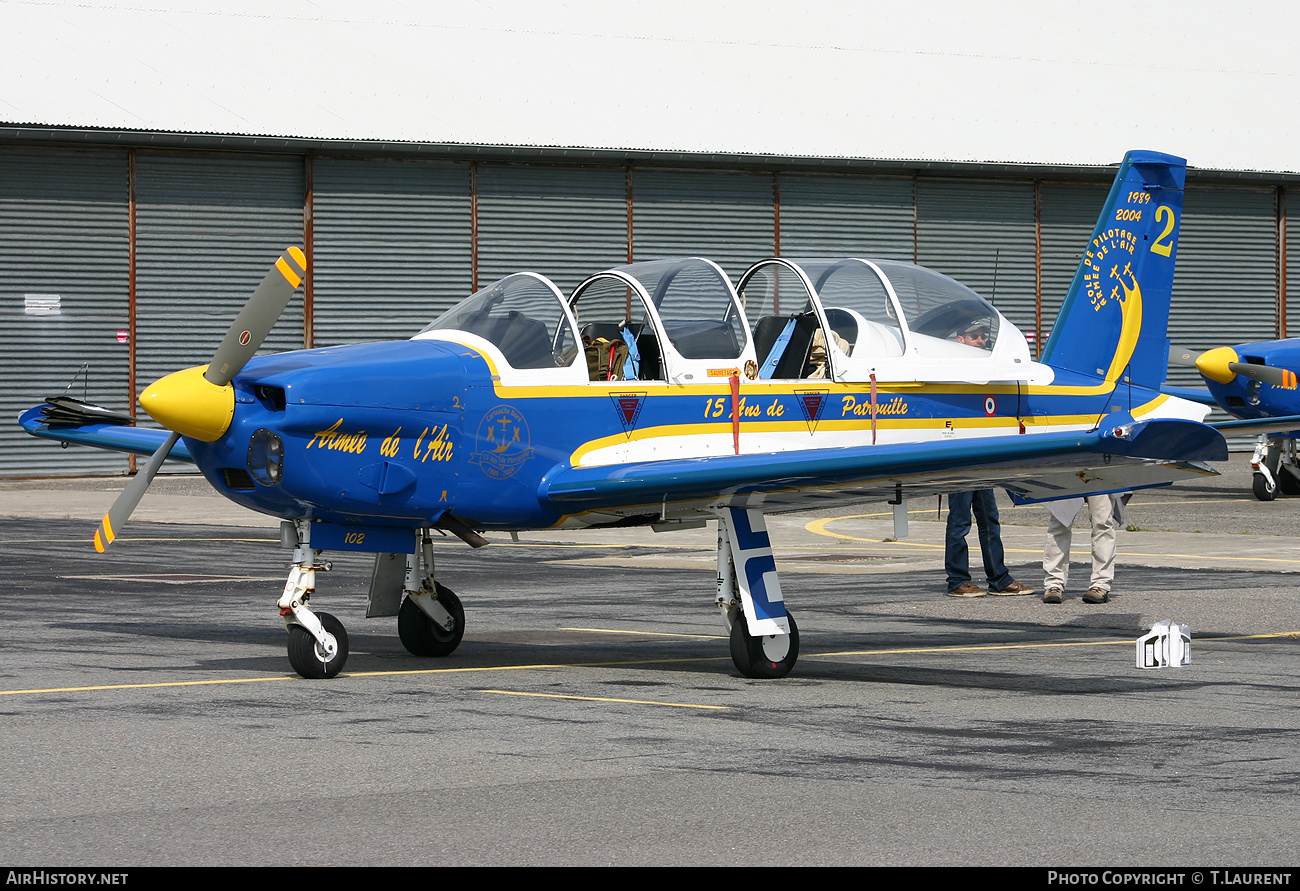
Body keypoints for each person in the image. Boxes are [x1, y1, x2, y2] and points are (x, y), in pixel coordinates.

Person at [945, 489, 1036, 597]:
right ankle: (957, 581)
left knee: (989, 519)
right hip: (960, 474)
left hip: (981, 474)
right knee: (959, 522)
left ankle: (999, 579)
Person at [1041, 494, 1125, 604]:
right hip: (1067, 477)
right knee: (1059, 523)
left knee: (1102, 524)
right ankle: (1053, 584)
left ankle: (1101, 584)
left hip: (1100, 478)